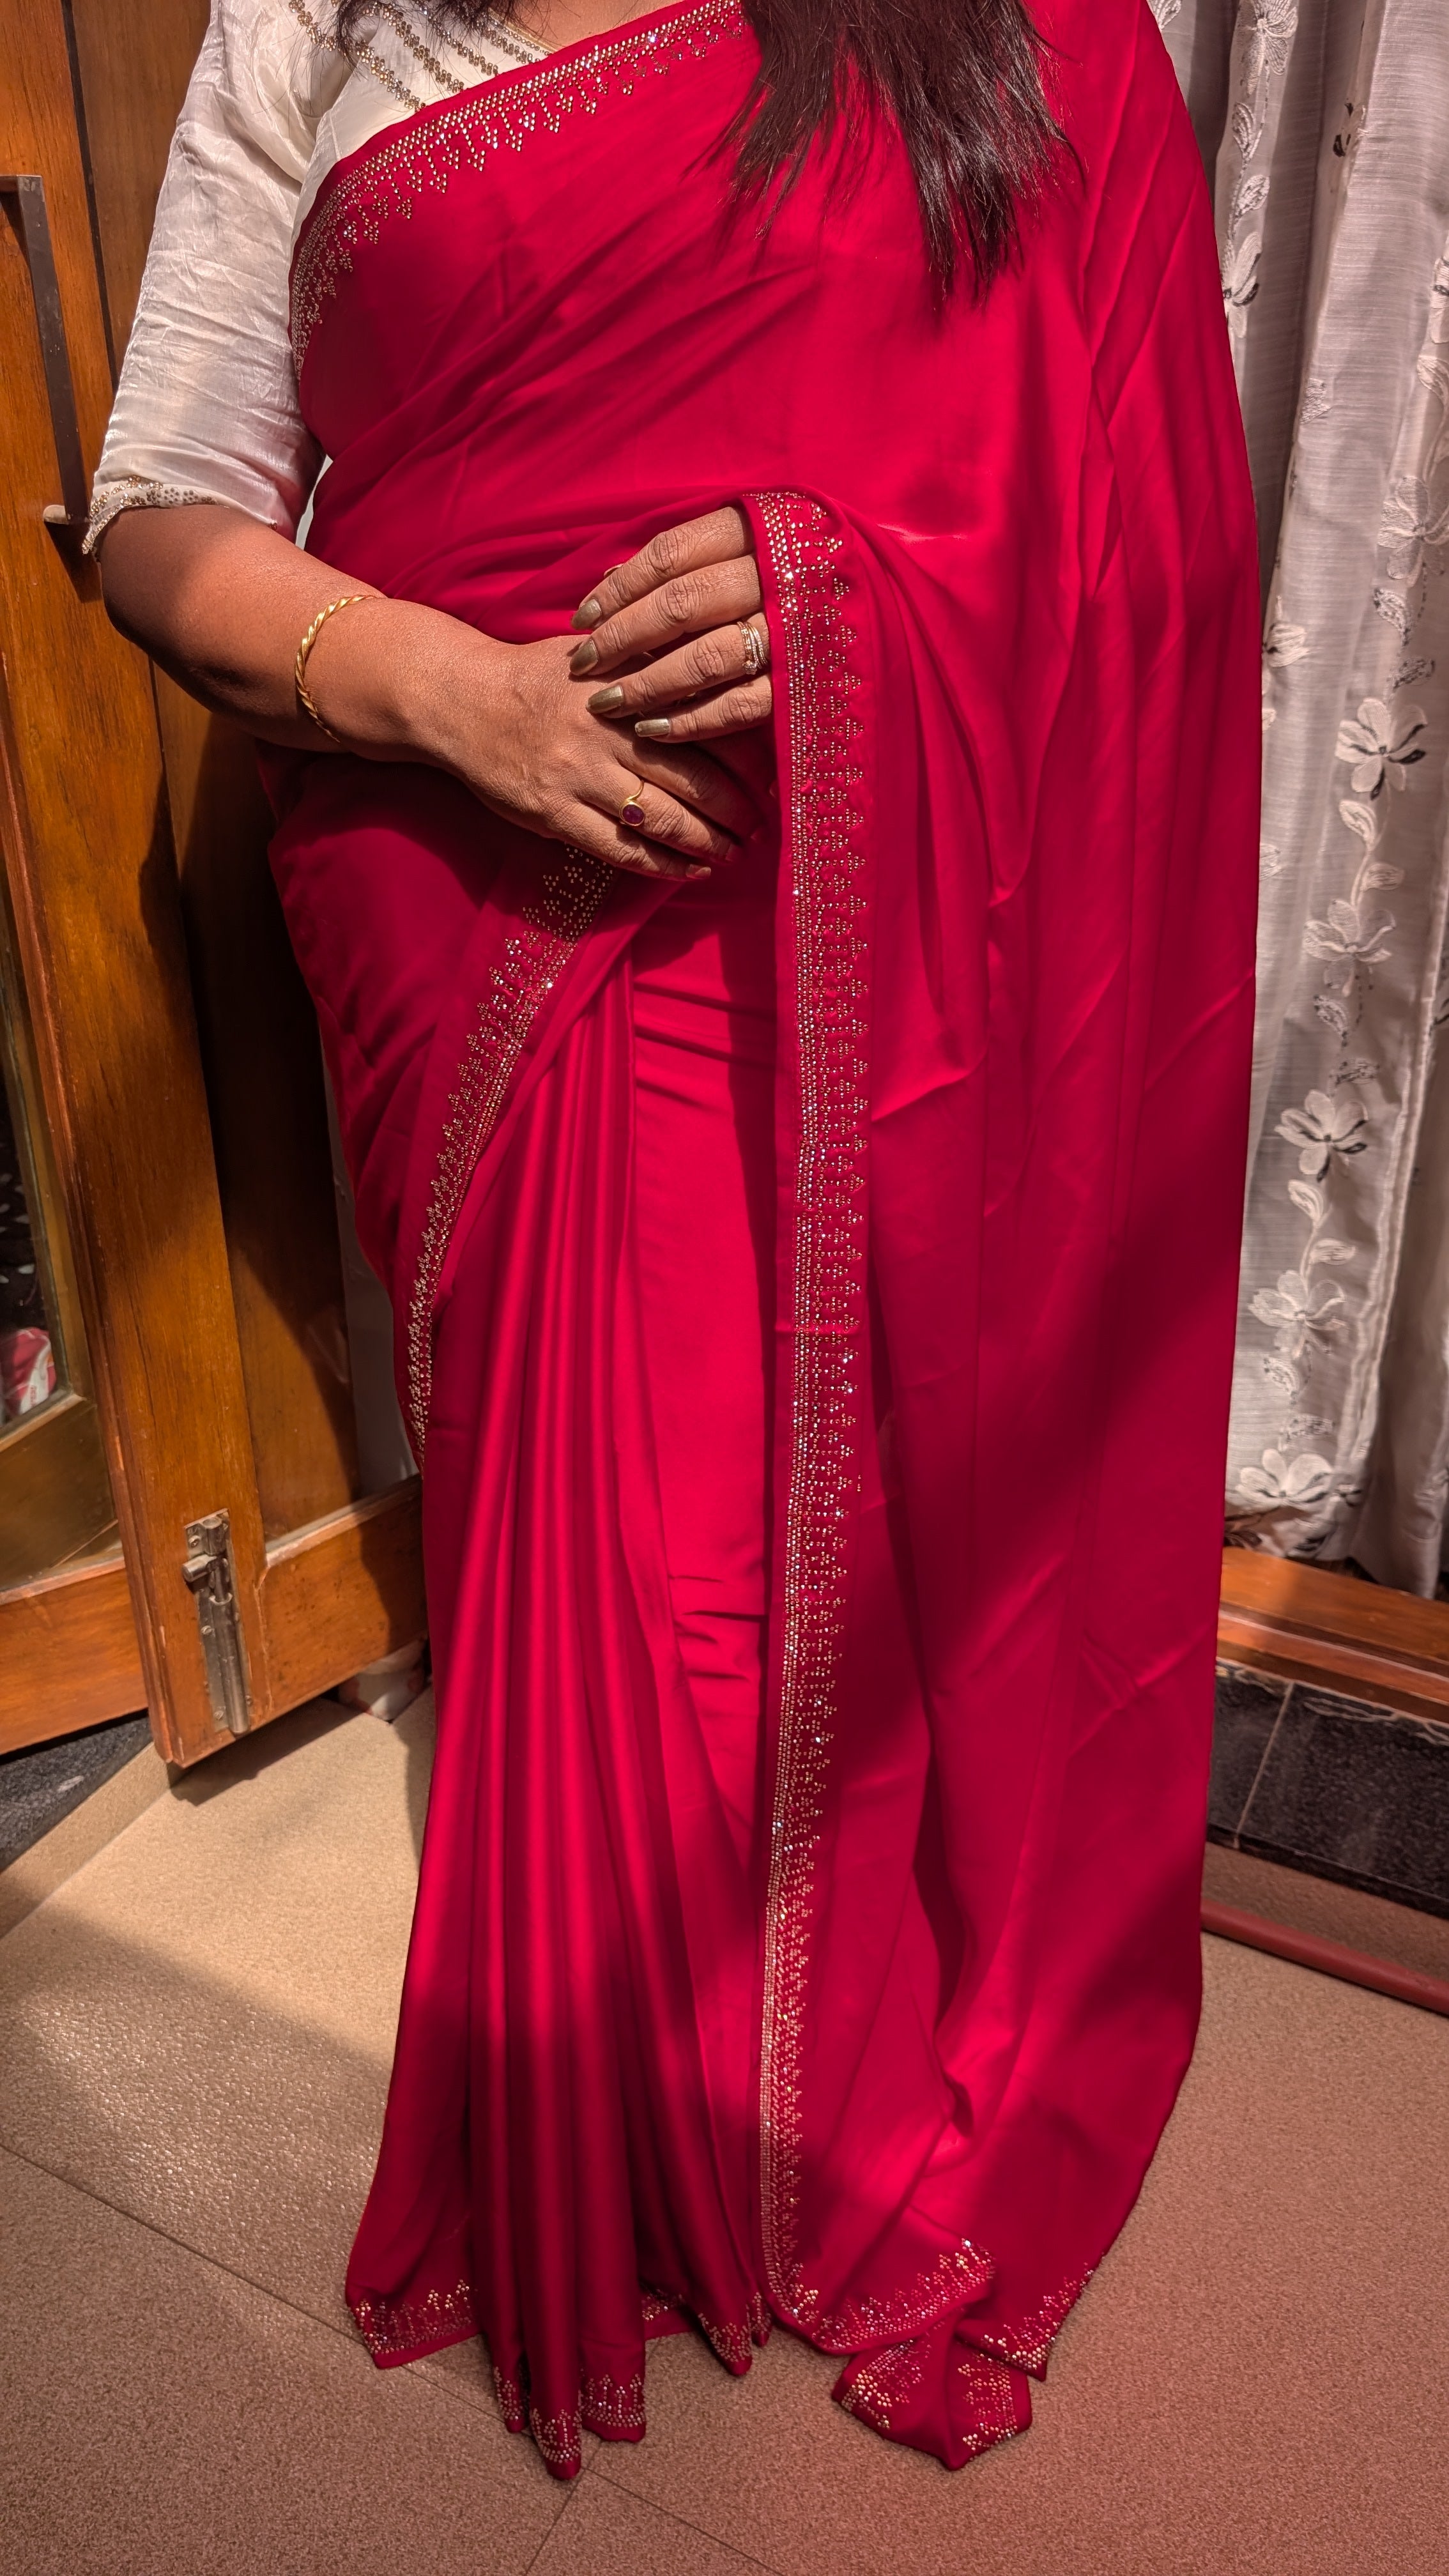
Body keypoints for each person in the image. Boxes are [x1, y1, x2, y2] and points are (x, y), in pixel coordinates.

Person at [94, 0, 1260, 2480]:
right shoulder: (305, 17)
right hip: (443, 842)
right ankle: (631, 2097)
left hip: (863, 865)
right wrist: (456, 697)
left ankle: (829, 2091)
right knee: (593, 1516)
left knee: (835, 1499)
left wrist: (861, 595)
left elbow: (1134, 508)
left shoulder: (1004, 29)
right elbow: (161, 512)